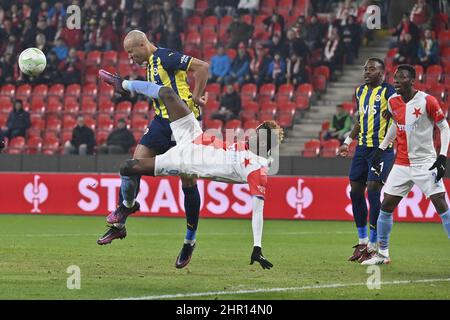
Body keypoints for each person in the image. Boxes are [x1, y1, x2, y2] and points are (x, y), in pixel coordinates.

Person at [98, 71, 281, 269]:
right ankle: (122, 83)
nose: (252, 133)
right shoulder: (245, 145)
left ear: (263, 142)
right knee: (167, 93)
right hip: (193, 134)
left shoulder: (257, 170)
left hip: (184, 161)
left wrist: (257, 247)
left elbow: (258, 210)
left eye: (257, 133)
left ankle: (189, 242)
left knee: (127, 167)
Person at [96, 30, 209, 270]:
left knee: (188, 182)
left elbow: (202, 67)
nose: (130, 57)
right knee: (133, 166)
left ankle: (190, 241)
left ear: (142, 44)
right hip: (161, 123)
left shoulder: (167, 57)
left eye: (131, 52)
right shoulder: (149, 65)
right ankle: (122, 218)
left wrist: (197, 97)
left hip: (185, 127)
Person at [362, 64, 450, 265]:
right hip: (401, 163)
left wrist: (442, 157)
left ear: (412, 80)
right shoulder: (393, 101)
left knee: (441, 205)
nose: (395, 81)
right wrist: (382, 148)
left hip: (425, 163)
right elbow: (395, 124)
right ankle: (383, 254)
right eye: (394, 77)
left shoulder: (427, 100)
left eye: (400, 78)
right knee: (386, 206)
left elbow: (444, 128)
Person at [337, 58, 396, 263]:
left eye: (372, 69)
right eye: (365, 68)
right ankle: (362, 242)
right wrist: (347, 141)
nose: (366, 72)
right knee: (354, 191)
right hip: (362, 148)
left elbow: (397, 121)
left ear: (382, 73)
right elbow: (360, 120)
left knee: (373, 190)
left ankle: (373, 245)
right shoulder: (360, 91)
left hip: (382, 149)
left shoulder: (390, 92)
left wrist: (385, 145)